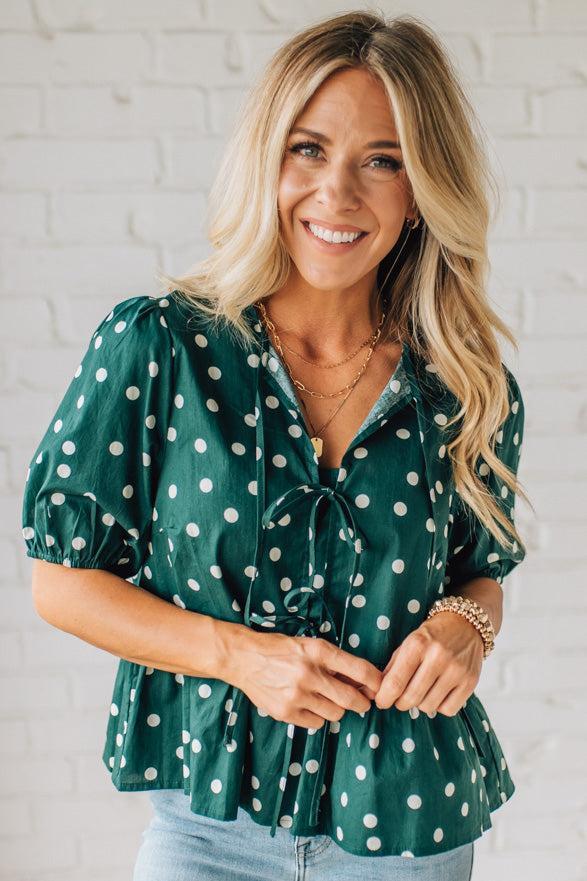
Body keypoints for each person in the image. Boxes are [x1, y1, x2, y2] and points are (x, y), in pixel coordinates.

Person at [21, 11, 531, 881]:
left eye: (383, 159)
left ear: (420, 193)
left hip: (406, 827)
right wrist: (237, 656)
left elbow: (473, 573)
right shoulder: (160, 347)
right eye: (307, 149)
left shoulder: (462, 387)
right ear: (267, 159)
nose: (337, 193)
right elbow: (61, 585)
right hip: (205, 829)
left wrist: (467, 624)